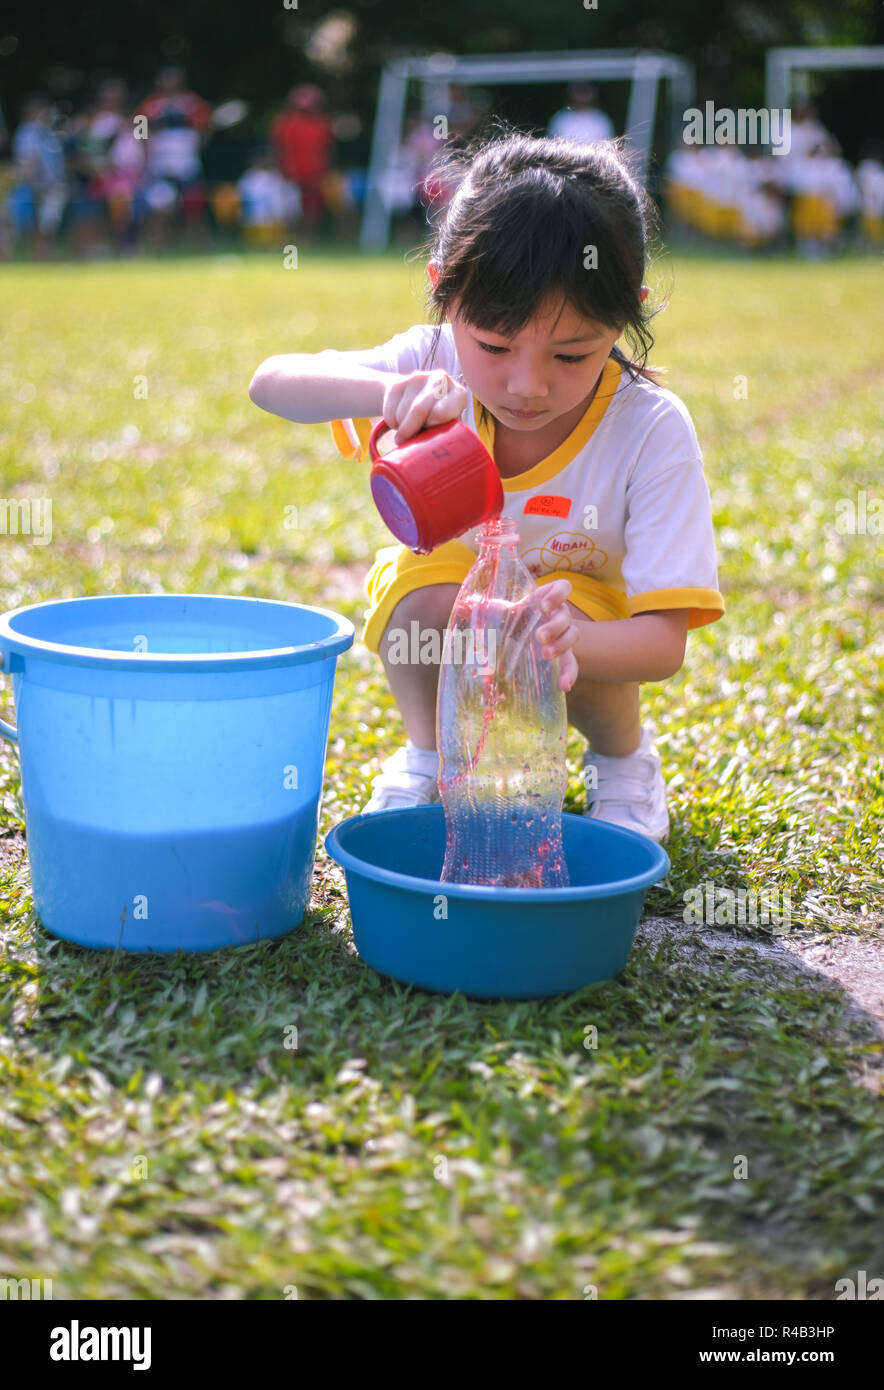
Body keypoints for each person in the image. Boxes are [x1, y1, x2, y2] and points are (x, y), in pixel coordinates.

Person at [248, 132, 725, 842]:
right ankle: (430, 756)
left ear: (628, 313)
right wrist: (388, 392)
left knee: (578, 631)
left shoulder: (650, 429)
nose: (528, 384)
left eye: (571, 354)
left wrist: (570, 642)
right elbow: (271, 383)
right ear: (445, 291)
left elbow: (662, 644)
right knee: (423, 593)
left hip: (579, 615)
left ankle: (622, 763)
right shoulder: (430, 362)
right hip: (456, 594)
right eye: (496, 347)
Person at [269, 84, 334, 241]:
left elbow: (327, 151)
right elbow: (278, 149)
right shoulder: (285, 123)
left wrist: (324, 172)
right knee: (289, 210)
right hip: (289, 175)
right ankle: (289, 242)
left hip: (314, 174)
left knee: (311, 211)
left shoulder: (322, 124)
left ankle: (307, 241)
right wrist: (283, 171)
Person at [548, 83, 615, 145]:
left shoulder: (601, 119)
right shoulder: (560, 119)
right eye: (579, 92)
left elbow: (607, 145)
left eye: (584, 92)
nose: (582, 97)